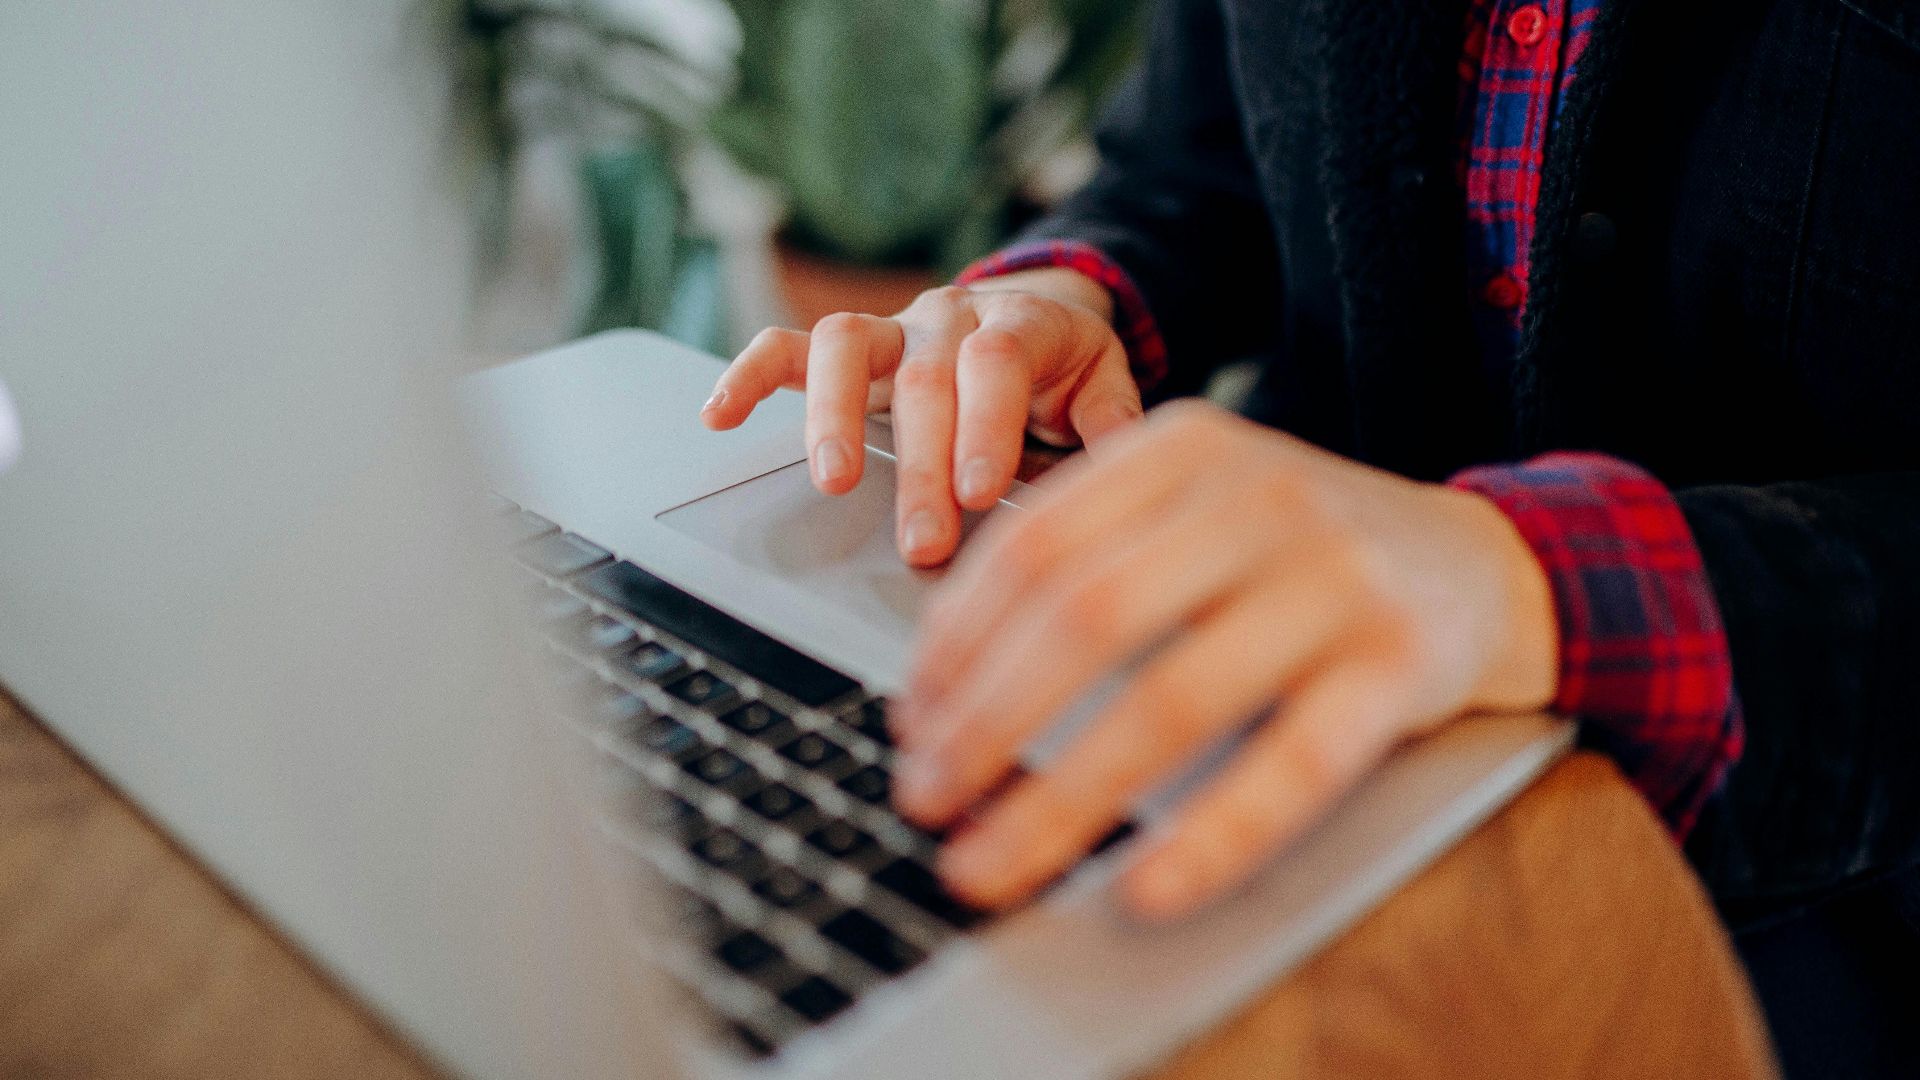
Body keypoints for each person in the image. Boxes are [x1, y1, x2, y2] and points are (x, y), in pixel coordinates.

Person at [704, 0, 1920, 1068]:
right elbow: (1200, 154)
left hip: (1794, 931)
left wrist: (1517, 576)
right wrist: (1069, 295)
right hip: (1285, 771)